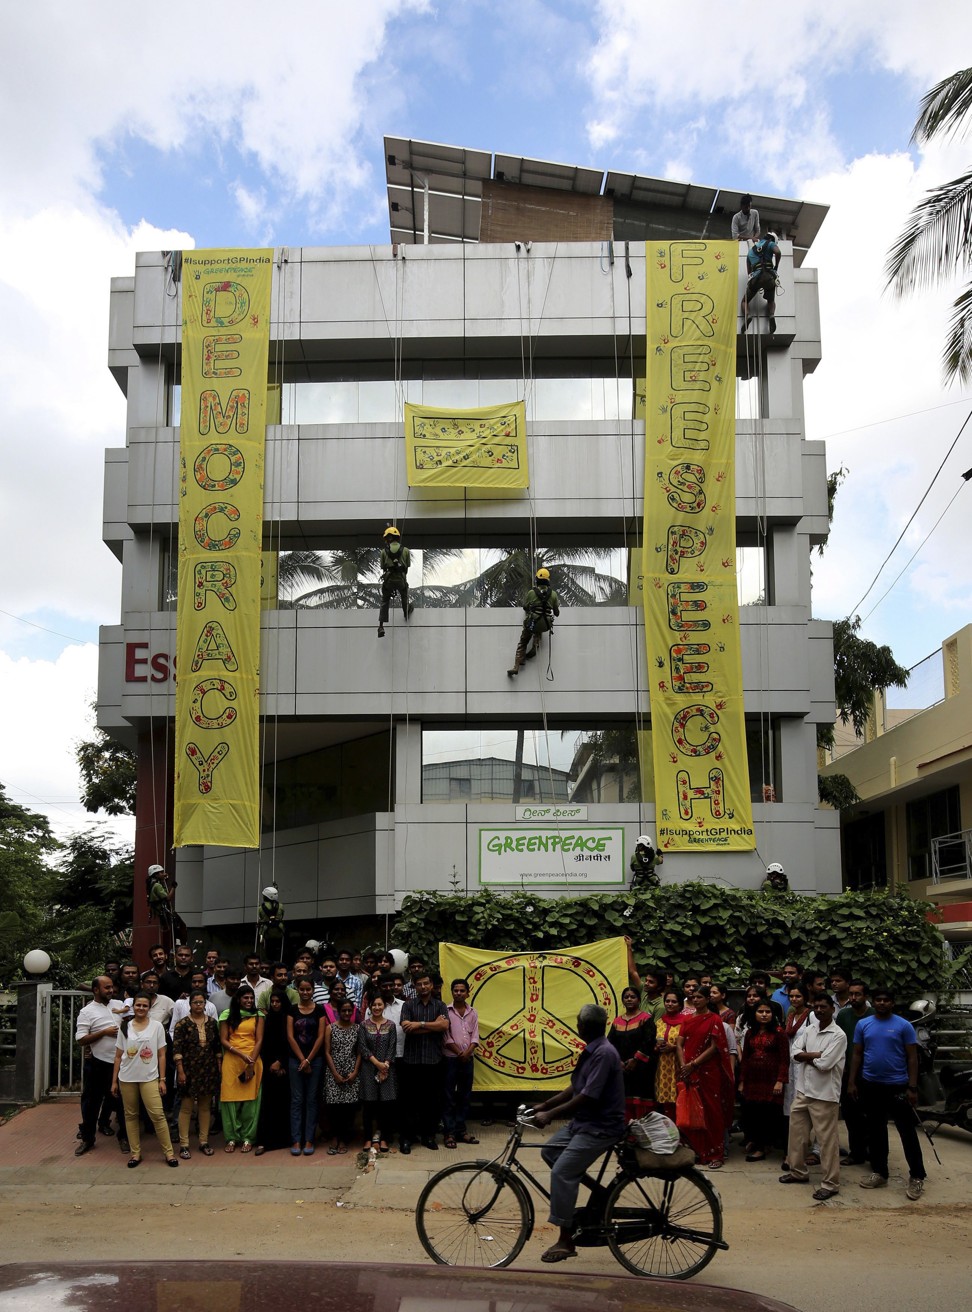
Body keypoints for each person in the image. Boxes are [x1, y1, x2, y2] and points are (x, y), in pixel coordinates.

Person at [532, 1003, 625, 1264]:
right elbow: (574, 1087)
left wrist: (550, 1116)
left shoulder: (604, 1053)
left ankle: (565, 1240)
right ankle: (600, 1193)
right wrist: (545, 1105)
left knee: (562, 1172)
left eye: (578, 1023)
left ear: (582, 1027)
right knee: (550, 1152)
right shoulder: (593, 1049)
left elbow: (587, 1096)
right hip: (584, 1123)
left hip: (601, 1126)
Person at [848, 986, 926, 1199]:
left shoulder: (904, 1026)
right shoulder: (863, 1024)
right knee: (875, 1131)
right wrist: (852, 1082)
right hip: (871, 1085)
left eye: (886, 1000)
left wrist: (912, 1087)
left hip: (898, 1086)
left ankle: (917, 1176)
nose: (882, 1003)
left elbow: (912, 1057)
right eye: (878, 1000)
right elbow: (857, 1054)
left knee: (907, 1132)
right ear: (874, 1002)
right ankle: (880, 1172)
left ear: (892, 1003)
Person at [779, 995, 847, 1200]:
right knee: (797, 1135)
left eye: (823, 1006)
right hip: (803, 1090)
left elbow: (826, 1064)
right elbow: (794, 1053)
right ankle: (798, 1172)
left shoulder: (838, 1035)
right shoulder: (809, 1029)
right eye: (816, 1006)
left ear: (831, 1009)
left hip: (824, 1095)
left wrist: (807, 1056)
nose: (819, 1010)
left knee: (827, 1141)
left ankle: (830, 1183)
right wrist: (815, 1055)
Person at [111, 991, 178, 1168]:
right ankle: (135, 1153)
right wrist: (114, 1081)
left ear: (149, 1008)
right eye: (138, 1005)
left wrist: (162, 1079)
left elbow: (162, 1055)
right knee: (131, 1115)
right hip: (126, 1077)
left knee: (157, 1115)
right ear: (133, 1007)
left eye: (145, 1005)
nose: (141, 1008)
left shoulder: (157, 1026)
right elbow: (118, 1056)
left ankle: (169, 1153)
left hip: (149, 1077)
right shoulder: (125, 1027)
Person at [676, 988, 734, 1169]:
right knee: (692, 1112)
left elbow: (715, 1047)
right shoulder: (688, 1019)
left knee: (712, 1111)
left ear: (708, 999)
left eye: (699, 997)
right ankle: (697, 1152)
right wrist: (684, 1064)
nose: (696, 1000)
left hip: (708, 1072)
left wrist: (693, 1064)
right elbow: (679, 1043)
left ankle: (716, 1154)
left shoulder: (715, 1019)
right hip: (689, 1071)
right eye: (693, 997)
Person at [74, 975, 127, 1155]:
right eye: (107, 988)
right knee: (91, 1103)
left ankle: (124, 1138)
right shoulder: (87, 1012)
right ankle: (88, 1139)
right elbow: (81, 1039)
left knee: (122, 1104)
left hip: (122, 1064)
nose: (111, 991)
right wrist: (103, 1032)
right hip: (98, 1064)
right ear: (96, 990)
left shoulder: (119, 1005)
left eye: (112, 987)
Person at [399, 970, 450, 1153]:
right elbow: (406, 1028)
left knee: (432, 1102)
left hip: (433, 1061)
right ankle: (407, 1138)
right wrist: (432, 1026)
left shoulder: (440, 1005)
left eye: (426, 983)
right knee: (410, 1103)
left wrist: (419, 1024)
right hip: (411, 1062)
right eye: (419, 984)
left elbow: (444, 1026)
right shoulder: (409, 1005)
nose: (423, 987)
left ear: (431, 985)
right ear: (414, 986)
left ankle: (428, 1137)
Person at [172, 989, 221, 1158]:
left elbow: (217, 1049)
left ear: (205, 1004)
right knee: (186, 1108)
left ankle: (203, 1141)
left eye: (201, 1002)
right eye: (195, 1003)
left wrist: (219, 1069)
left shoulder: (213, 1023)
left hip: (208, 1070)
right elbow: (177, 1049)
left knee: (205, 1107)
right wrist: (180, 1071)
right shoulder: (182, 1024)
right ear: (190, 1005)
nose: (198, 1005)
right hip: (188, 1070)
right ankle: (184, 1144)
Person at [737, 1000, 788, 1162]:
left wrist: (780, 1081)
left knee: (770, 1114)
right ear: (755, 1014)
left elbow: (784, 1060)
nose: (764, 1015)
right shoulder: (750, 1033)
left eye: (767, 1012)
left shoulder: (779, 1033)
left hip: (771, 1080)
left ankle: (765, 1146)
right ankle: (758, 1144)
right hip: (753, 1080)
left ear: (773, 1015)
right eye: (760, 1012)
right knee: (754, 1113)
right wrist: (742, 1081)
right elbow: (744, 1059)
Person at [218, 985, 264, 1152]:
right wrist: (240, 1054)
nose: (249, 1001)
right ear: (238, 999)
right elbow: (224, 1040)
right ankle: (231, 1138)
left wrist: (250, 1061)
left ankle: (248, 1138)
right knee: (230, 1100)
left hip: (253, 1059)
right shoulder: (227, 1015)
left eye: (251, 998)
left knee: (251, 1101)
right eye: (245, 998)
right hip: (232, 1060)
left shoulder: (258, 1016)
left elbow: (259, 1040)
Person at [287, 977, 327, 1156]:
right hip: (295, 1059)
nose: (305, 992)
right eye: (302, 989)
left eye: (308, 989)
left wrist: (308, 1060)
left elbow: (320, 1037)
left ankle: (310, 1138)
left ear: (313, 990)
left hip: (315, 1060)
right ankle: (296, 1139)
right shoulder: (292, 1009)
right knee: (297, 1100)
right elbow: (290, 1036)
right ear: (297, 989)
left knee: (311, 1100)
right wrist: (302, 1060)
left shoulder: (319, 1010)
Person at [836, 979, 873, 1165]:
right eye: (851, 994)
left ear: (865, 996)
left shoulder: (875, 1014)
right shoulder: (843, 1015)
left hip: (871, 1073)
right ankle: (856, 1152)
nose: (853, 997)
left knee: (871, 1115)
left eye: (857, 994)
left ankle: (873, 1152)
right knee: (851, 1114)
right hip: (847, 1071)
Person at [608, 986, 657, 1121]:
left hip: (642, 1068)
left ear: (639, 1000)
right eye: (626, 997)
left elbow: (649, 1041)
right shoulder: (617, 1021)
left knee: (641, 1100)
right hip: (622, 1068)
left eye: (632, 997)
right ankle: (625, 1134)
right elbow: (610, 1043)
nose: (629, 999)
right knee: (623, 1099)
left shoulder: (646, 1019)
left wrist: (635, 1059)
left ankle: (641, 1132)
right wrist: (617, 1061)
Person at [254, 987, 292, 1156]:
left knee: (285, 1103)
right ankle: (265, 1141)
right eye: (273, 1001)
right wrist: (271, 1063)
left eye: (278, 1001)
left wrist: (281, 1062)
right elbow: (262, 1043)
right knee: (268, 1105)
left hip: (286, 1068)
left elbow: (291, 1043)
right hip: (268, 1067)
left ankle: (285, 1139)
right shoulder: (267, 1019)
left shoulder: (289, 1019)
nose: (275, 1004)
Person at [442, 978, 480, 1149]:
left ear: (467, 993)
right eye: (455, 990)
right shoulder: (446, 1011)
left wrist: (467, 1052)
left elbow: (475, 1036)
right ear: (452, 992)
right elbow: (446, 1037)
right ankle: (449, 1133)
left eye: (462, 990)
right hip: (451, 1059)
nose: (458, 993)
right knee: (449, 1096)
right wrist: (459, 1053)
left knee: (465, 1096)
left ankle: (461, 1130)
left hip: (468, 1059)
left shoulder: (473, 1012)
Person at [359, 992, 398, 1152]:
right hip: (368, 1069)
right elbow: (362, 1046)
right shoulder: (363, 1025)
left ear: (384, 1006)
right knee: (369, 1106)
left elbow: (392, 1046)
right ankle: (368, 1138)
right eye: (374, 1005)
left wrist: (385, 1065)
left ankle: (384, 1139)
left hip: (387, 1070)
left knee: (386, 1106)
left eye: (379, 1005)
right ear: (370, 1007)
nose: (376, 1007)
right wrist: (377, 1063)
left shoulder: (391, 1025)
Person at [507, 568, 560, 678]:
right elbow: (556, 613)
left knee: (523, 641)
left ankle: (516, 666)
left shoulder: (531, 592)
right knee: (539, 629)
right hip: (545, 624)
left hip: (533, 622)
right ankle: (535, 646)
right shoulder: (553, 594)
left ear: (537, 580)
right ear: (548, 581)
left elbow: (525, 607)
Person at [324, 998, 361, 1154]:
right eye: (343, 1010)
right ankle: (335, 1137)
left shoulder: (358, 1029)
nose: (346, 1013)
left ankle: (344, 1139)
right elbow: (327, 1052)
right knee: (334, 1108)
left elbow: (360, 1052)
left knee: (349, 1108)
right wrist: (335, 1074)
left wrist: (355, 1072)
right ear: (338, 1012)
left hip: (351, 1071)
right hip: (334, 1071)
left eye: (349, 1010)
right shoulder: (330, 1028)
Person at [741, 234, 781, 335]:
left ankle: (747, 316)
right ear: (772, 239)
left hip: (756, 278)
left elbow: (749, 272)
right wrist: (776, 266)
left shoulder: (750, 252)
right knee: (771, 300)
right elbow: (778, 252)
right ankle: (771, 315)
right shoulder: (771, 244)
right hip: (769, 277)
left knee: (745, 301)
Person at [377, 525, 412, 638]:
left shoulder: (383, 552)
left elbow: (383, 566)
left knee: (385, 600)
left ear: (389, 538)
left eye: (387, 539)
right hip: (401, 579)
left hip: (389, 580)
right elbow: (407, 566)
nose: (386, 541)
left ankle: (381, 626)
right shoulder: (405, 550)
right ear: (397, 537)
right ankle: (406, 612)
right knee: (404, 594)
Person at [653, 990, 683, 1120]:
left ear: (680, 1005)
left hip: (679, 1065)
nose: (670, 1004)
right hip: (662, 1066)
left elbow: (692, 1045)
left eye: (674, 1001)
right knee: (663, 1100)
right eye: (667, 1001)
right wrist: (657, 1047)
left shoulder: (686, 1022)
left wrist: (674, 1047)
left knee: (680, 1098)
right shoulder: (659, 1022)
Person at [258, 885, 286, 958]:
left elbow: (261, 917)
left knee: (267, 950)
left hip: (266, 931)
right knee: (278, 950)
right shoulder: (280, 906)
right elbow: (282, 916)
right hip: (279, 930)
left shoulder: (261, 908)